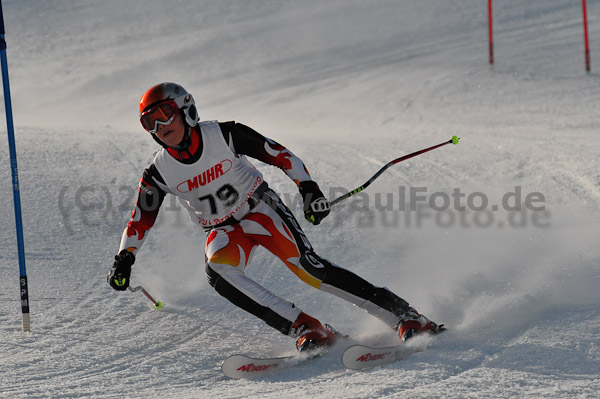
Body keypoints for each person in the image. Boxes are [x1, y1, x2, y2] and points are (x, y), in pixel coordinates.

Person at [107, 82, 444, 351]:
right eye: (149, 121)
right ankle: (305, 326)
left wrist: (308, 188)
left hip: (260, 210)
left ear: (186, 110)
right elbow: (140, 219)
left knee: (309, 270)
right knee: (219, 272)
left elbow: (280, 154)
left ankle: (406, 316)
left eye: (165, 114)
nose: (160, 125)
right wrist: (125, 257)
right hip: (223, 230)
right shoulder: (159, 171)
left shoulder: (223, 134)